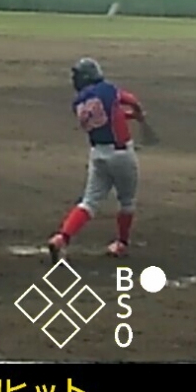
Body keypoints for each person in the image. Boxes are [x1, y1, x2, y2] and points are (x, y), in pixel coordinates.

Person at [48, 58, 146, 263]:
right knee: (127, 201)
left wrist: (130, 116)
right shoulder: (106, 89)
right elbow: (129, 99)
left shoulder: (78, 103)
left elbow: (109, 115)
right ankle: (121, 243)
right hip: (121, 155)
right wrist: (138, 112)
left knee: (89, 202)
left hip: (98, 155)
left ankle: (62, 238)